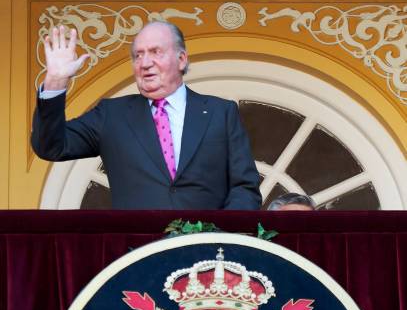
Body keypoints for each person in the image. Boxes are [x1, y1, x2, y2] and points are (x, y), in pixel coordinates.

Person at [31, 22, 262, 210]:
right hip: (137, 255)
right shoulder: (111, 115)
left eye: (155, 52)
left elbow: (244, 188)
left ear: (182, 59)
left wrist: (223, 237)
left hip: (208, 257)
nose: (145, 63)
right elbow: (51, 146)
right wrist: (56, 82)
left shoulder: (220, 113)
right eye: (137, 56)